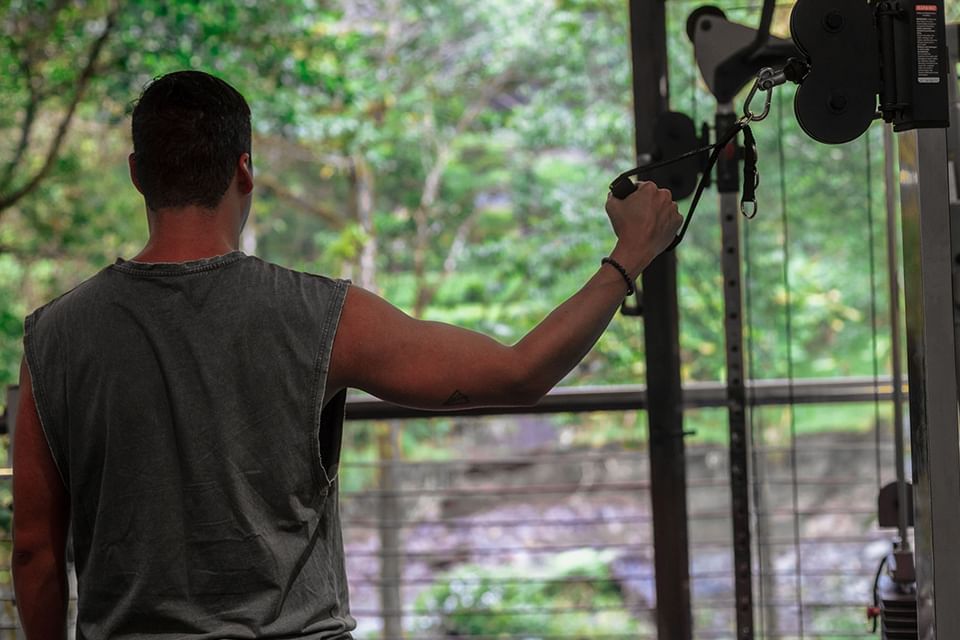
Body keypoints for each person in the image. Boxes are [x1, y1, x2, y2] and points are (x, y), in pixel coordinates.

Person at [12, 70, 681, 639]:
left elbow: (36, 550)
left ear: (137, 174)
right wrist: (629, 258)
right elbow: (520, 372)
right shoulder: (318, 316)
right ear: (244, 170)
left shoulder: (53, 337)